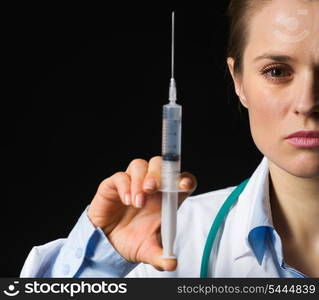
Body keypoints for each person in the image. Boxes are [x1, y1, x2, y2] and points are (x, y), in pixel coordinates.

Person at [20, 0, 319, 278]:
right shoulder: (161, 244)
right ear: (238, 81)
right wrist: (98, 263)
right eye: (277, 71)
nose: (307, 103)